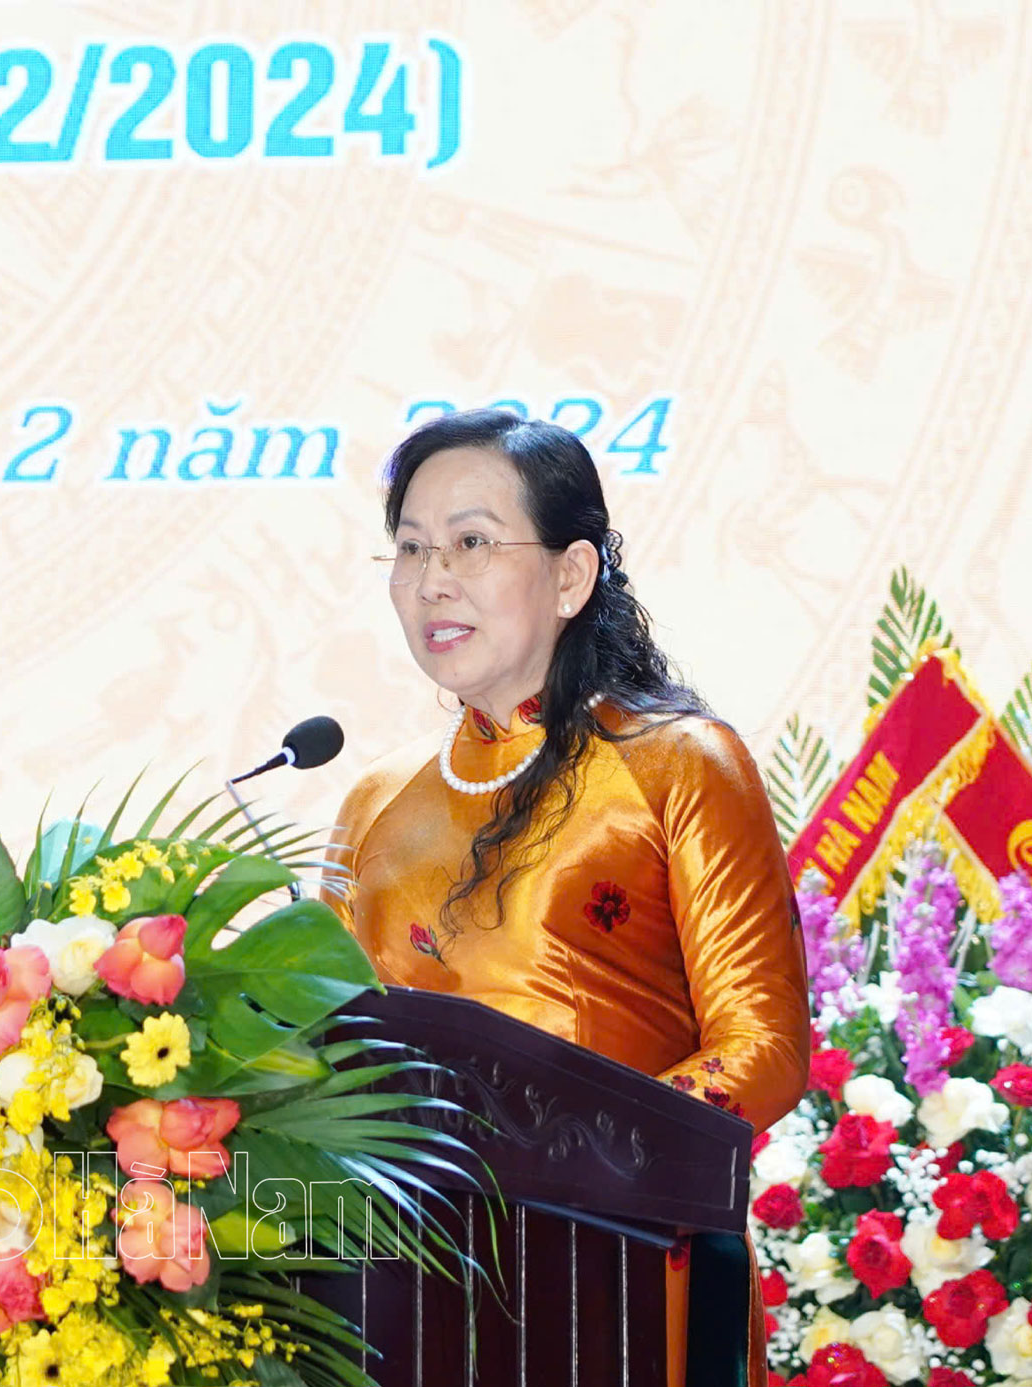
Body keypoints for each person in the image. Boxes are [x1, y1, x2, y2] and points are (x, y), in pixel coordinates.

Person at [322, 407, 810, 1387]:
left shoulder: (677, 761)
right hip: (407, 1291)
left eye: (470, 542)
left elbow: (764, 1048)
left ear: (571, 574)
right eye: (409, 548)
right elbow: (333, 1052)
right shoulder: (376, 801)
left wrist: (559, 1166)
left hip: (621, 1280)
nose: (431, 579)